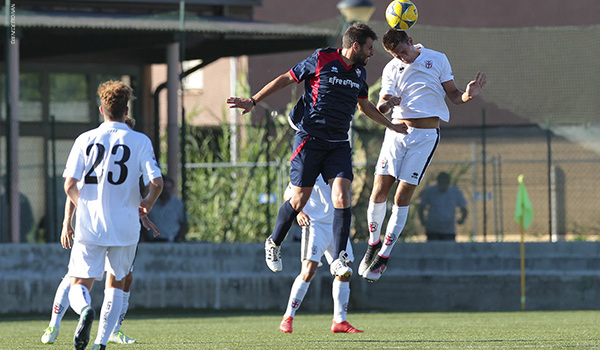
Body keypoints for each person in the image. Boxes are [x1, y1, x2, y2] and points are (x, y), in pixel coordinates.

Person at [227, 23, 406, 277]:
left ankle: (340, 258)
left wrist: (390, 125)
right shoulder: (322, 58)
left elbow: (364, 106)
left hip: (338, 145)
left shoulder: (359, 74)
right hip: (310, 140)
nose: (371, 53)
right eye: (369, 48)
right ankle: (274, 242)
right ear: (355, 46)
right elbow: (286, 78)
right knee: (299, 200)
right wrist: (253, 100)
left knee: (343, 196)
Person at [358, 29, 486, 282]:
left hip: (424, 137)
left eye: (403, 52)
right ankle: (373, 243)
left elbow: (453, 96)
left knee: (401, 196)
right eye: (396, 55)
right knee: (379, 191)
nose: (402, 58)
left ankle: (383, 256)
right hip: (396, 133)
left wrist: (468, 94)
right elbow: (381, 106)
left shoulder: (437, 59)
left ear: (411, 42)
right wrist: (388, 104)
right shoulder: (392, 68)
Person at [41, 117, 160, 346]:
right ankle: (58, 326)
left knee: (89, 279)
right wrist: (67, 221)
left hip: (97, 225)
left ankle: (106, 326)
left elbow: (119, 195)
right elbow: (76, 191)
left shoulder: (93, 143)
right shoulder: (118, 148)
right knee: (90, 278)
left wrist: (143, 216)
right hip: (117, 228)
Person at [279, 176, 363, 334]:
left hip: (337, 225)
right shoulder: (310, 166)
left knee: (345, 271)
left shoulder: (337, 166)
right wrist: (298, 213)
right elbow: (289, 194)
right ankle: (288, 317)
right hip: (315, 225)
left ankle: (340, 320)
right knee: (308, 271)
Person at [418, 172, 468, 241]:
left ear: (448, 182)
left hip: (449, 230)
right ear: (437, 181)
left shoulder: (455, 192)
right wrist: (423, 220)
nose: (443, 183)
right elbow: (421, 207)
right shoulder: (430, 191)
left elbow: (463, 208)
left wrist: (462, 219)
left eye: (445, 181)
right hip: (433, 229)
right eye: (441, 181)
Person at [146, 176, 188, 242]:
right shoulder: (150, 203)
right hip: (153, 243)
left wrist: (179, 238)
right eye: (164, 188)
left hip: (172, 242)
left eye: (169, 189)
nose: (166, 191)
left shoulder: (177, 204)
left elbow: (183, 223)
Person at [0, 174, 34, 242]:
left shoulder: (22, 200)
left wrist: (22, 232)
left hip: (21, 238)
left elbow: (29, 220)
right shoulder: (1, 200)